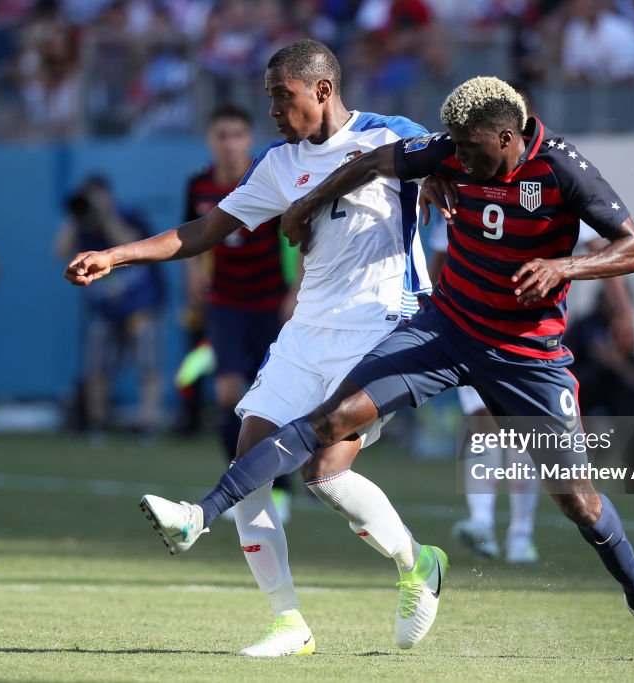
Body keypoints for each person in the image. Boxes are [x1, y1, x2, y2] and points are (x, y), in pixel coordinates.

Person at [125, 76, 634, 663]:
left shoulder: (562, 169)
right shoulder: (454, 148)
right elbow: (374, 162)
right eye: (453, 150)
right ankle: (203, 512)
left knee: (577, 500)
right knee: (331, 422)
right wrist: (306, 203)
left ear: (507, 136)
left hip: (528, 356)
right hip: (445, 331)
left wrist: (563, 267)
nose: (460, 160)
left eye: (471, 151)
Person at [66, 39, 444, 657]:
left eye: (280, 95)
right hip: (306, 332)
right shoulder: (277, 164)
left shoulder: (388, 134)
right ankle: (288, 622)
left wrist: (437, 183)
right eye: (269, 95)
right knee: (249, 457)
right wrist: (117, 253)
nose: (271, 108)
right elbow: (205, 231)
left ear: (321, 89)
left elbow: (449, 158)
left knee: (325, 473)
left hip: (381, 327)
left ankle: (417, 563)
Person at [183, 103, 299, 521]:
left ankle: (280, 491)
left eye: (236, 134)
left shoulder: (267, 180)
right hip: (226, 304)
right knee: (228, 395)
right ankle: (242, 486)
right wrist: (193, 274)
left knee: (270, 402)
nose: (229, 143)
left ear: (247, 139)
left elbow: (302, 241)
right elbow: (191, 237)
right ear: (210, 140)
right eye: (221, 135)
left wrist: (295, 293)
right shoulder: (197, 186)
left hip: (270, 302)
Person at [427, 220, 540, 563]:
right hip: (475, 330)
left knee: (524, 432)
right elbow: (439, 259)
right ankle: (482, 523)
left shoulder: (549, 184)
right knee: (482, 420)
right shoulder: (464, 196)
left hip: (530, 332)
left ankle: (521, 535)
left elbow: (594, 243)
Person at [55, 175, 165, 438]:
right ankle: (97, 423)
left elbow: (129, 242)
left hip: (141, 306)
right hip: (105, 309)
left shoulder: (129, 216)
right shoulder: (82, 225)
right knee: (97, 367)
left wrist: (106, 215)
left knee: (146, 366)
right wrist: (76, 214)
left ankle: (146, 423)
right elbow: (59, 252)